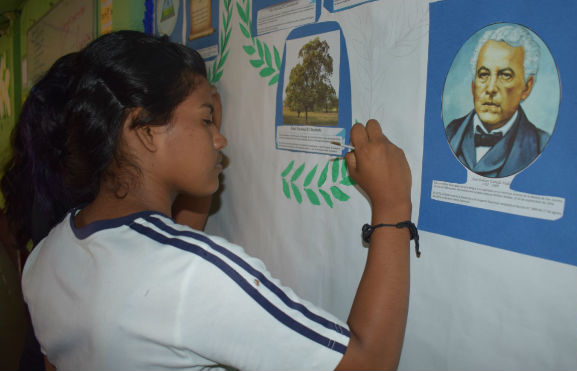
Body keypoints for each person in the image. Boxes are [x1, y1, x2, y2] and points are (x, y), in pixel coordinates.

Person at [1, 31, 415, 370]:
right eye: (204, 120)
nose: (221, 138)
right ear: (144, 129)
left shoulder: (49, 254)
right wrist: (392, 207)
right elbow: (368, 363)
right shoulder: (190, 274)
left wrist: (199, 147)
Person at [445, 24, 551, 178]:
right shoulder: (451, 131)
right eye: (483, 74)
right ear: (473, 86)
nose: (491, 88)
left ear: (526, 87)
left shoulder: (541, 145)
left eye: (505, 75)